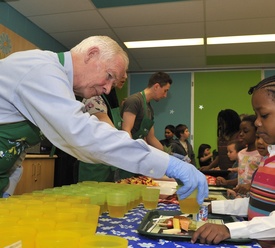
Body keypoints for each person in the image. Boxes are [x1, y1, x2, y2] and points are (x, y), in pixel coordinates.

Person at [0, 35, 208, 204]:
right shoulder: (42, 71)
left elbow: (17, 149)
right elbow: (84, 135)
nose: (108, 88)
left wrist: (8, 188)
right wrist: (168, 164)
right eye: (109, 75)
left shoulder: (61, 83)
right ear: (91, 54)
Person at [191, 75, 275, 248]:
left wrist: (230, 230)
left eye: (264, 115)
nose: (257, 123)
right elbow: (257, 206)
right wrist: (213, 207)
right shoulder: (268, 160)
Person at [78, 74, 127, 182]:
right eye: (122, 71)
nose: (126, 76)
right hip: (93, 165)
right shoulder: (94, 97)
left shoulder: (112, 99)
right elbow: (105, 125)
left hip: (107, 162)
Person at [121, 71, 172, 151]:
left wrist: (167, 154)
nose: (165, 95)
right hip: (126, 150)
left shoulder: (149, 109)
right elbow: (126, 130)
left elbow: (151, 138)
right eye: (165, 90)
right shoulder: (134, 101)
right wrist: (131, 152)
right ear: (156, 87)